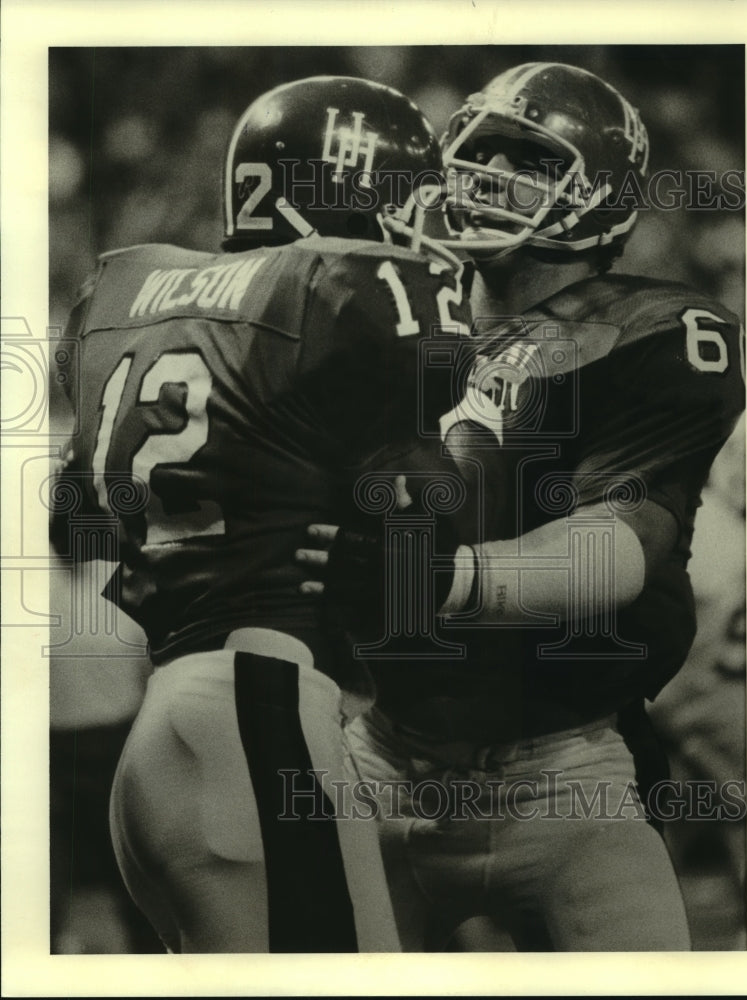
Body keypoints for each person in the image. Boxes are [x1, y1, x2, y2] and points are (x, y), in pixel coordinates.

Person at [298, 63, 745, 951]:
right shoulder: (390, 317)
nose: (480, 175)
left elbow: (621, 544)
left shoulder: (649, 331)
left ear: (599, 198)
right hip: (381, 751)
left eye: (524, 160)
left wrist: (451, 577)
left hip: (564, 770)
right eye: (476, 152)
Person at [50, 75, 474, 953]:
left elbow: (82, 514)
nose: (416, 228)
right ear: (347, 190)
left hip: (164, 730)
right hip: (259, 720)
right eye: (405, 200)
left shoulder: (128, 294)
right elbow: (423, 546)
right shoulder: (334, 291)